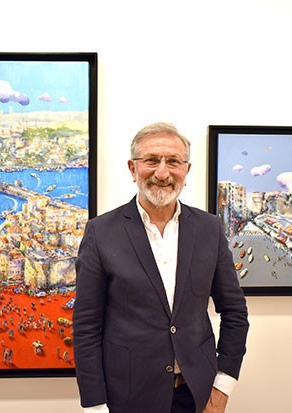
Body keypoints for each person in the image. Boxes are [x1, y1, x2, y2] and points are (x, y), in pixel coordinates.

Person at [73, 122, 249, 413]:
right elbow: (86, 328)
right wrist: (95, 407)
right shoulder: (101, 232)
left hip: (196, 396)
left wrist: (222, 390)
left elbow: (235, 312)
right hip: (127, 399)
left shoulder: (209, 229)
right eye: (152, 160)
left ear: (186, 170)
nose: (163, 173)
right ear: (133, 168)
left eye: (173, 162)